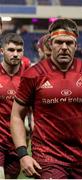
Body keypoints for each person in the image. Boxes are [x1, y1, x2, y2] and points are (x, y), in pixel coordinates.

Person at [10, 18, 82, 179]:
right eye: (59, 42)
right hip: (47, 158)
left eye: (69, 43)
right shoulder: (33, 75)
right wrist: (22, 154)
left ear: (76, 45)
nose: (64, 47)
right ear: (50, 43)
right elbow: (16, 116)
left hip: (81, 159)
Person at [0, 33, 28, 179]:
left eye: (19, 50)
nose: (16, 54)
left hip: (17, 141)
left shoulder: (28, 78)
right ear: (2, 51)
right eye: (11, 50)